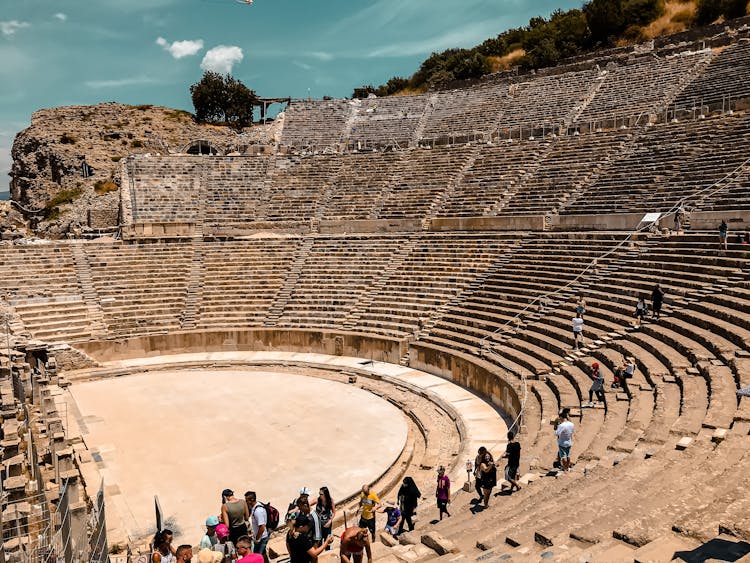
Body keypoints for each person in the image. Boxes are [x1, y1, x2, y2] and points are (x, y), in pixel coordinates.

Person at [245, 491, 269, 562]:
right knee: (263, 556)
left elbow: (262, 527)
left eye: (247, 500)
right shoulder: (256, 506)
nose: (246, 502)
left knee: (257, 558)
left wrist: (257, 539)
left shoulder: (258, 511)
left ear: (252, 500)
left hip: (261, 538)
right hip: (261, 537)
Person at [555, 408, 575, 472]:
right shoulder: (571, 424)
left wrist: (558, 428)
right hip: (569, 441)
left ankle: (565, 468)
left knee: (563, 456)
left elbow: (557, 433)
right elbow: (572, 432)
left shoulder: (561, 425)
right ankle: (567, 467)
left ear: (561, 417)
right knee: (568, 455)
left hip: (562, 442)